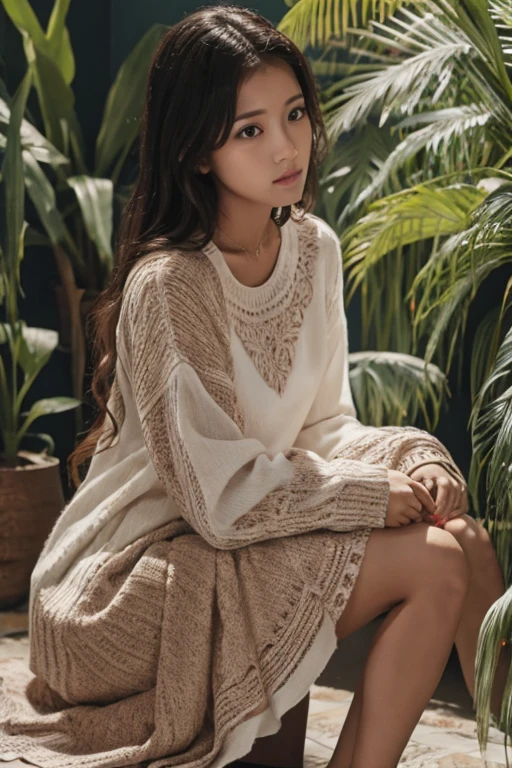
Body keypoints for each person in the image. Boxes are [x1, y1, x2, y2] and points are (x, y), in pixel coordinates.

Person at [0, 4, 508, 768]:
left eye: (295, 114)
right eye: (250, 129)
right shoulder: (170, 285)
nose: (286, 145)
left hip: (231, 539)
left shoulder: (314, 249)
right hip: (121, 584)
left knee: (463, 540)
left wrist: (411, 457)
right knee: (439, 559)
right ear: (198, 151)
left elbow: (324, 427)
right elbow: (216, 495)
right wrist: (370, 495)